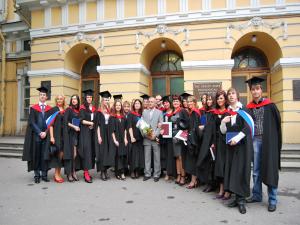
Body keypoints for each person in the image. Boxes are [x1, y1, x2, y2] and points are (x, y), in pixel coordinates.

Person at [245, 77, 282, 212]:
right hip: (255, 140)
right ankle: (257, 195)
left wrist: (274, 140)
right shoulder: (248, 107)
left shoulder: (270, 105)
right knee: (256, 171)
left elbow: (277, 124)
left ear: (261, 90)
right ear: (251, 91)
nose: (255, 91)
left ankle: (273, 199)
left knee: (270, 169)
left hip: (268, 141)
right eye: (253, 89)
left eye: (257, 89)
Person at [220, 87, 253, 214]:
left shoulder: (244, 110)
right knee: (232, 171)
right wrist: (223, 122)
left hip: (242, 146)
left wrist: (237, 138)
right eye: (229, 94)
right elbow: (223, 131)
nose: (231, 96)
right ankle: (236, 198)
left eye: (233, 93)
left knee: (241, 171)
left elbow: (248, 127)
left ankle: (241, 200)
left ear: (237, 96)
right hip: (231, 147)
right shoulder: (228, 113)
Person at [23, 86, 52, 183]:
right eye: (41, 95)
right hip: (36, 136)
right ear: (39, 96)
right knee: (36, 155)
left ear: (46, 97)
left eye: (44, 95)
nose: (42, 96)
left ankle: (44, 174)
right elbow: (32, 122)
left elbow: (51, 123)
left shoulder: (49, 109)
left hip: (46, 136)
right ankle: (36, 175)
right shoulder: (34, 108)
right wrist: (39, 132)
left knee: (45, 155)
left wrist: (45, 132)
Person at [212, 90, 231, 200]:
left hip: (226, 142)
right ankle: (221, 189)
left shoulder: (229, 112)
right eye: (218, 98)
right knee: (219, 165)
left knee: (226, 165)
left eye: (221, 98)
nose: (220, 100)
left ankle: (227, 191)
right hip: (218, 142)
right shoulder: (215, 113)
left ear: (225, 99)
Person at [197, 94, 217, 192]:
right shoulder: (206, 112)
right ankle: (208, 182)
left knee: (211, 162)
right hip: (205, 139)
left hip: (212, 140)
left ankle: (212, 184)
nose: (208, 101)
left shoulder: (214, 112)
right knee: (207, 162)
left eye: (210, 99)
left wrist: (213, 142)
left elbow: (214, 128)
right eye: (207, 100)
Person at [142, 96, 163, 182]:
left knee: (157, 157)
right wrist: (148, 135)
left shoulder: (159, 112)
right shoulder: (144, 112)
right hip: (147, 138)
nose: (150, 103)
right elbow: (142, 125)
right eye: (149, 102)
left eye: (152, 102)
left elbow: (161, 125)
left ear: (155, 103)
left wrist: (155, 135)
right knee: (147, 157)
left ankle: (156, 174)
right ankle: (147, 174)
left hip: (155, 138)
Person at [170, 95, 189, 186]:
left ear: (180, 102)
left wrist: (178, 121)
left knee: (181, 157)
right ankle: (178, 174)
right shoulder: (173, 112)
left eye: (177, 101)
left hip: (181, 136)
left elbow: (187, 123)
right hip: (174, 135)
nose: (175, 103)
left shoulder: (183, 111)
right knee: (177, 156)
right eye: (174, 101)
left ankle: (183, 176)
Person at [95, 91, 113, 181]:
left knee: (107, 152)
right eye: (105, 99)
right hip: (101, 132)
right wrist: (99, 136)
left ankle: (105, 171)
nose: (106, 101)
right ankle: (102, 172)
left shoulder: (109, 110)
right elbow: (97, 125)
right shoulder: (99, 112)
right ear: (102, 100)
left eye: (107, 99)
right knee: (102, 152)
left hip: (108, 132)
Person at [79, 89, 96, 183]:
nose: (89, 98)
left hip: (91, 133)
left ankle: (87, 171)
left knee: (90, 152)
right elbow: (81, 120)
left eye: (90, 97)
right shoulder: (82, 108)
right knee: (86, 152)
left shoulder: (93, 108)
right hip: (85, 132)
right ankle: (85, 173)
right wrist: (91, 123)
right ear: (85, 98)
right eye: (88, 97)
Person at [63, 94, 81, 182]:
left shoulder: (77, 111)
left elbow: (79, 121)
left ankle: (73, 171)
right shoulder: (68, 109)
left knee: (74, 155)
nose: (74, 100)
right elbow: (65, 122)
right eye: (72, 99)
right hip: (69, 134)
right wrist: (74, 127)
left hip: (76, 134)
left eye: (75, 99)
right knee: (70, 154)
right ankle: (69, 173)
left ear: (78, 101)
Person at [110, 99, 128, 180]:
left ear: (121, 107)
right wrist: (114, 140)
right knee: (118, 156)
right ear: (114, 106)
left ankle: (122, 172)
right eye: (116, 105)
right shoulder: (112, 117)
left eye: (119, 105)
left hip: (122, 139)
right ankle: (120, 172)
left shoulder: (123, 117)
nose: (118, 107)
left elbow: (125, 129)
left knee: (123, 155)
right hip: (116, 139)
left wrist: (125, 138)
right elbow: (112, 130)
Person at [185, 95, 201, 189]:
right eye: (188, 102)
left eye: (191, 102)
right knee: (193, 161)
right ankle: (194, 180)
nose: (189, 103)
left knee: (193, 161)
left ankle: (193, 181)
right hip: (193, 139)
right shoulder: (192, 113)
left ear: (195, 103)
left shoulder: (195, 113)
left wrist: (190, 137)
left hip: (193, 141)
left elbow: (195, 128)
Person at [159, 96, 176, 181]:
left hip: (172, 137)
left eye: (167, 102)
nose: (165, 104)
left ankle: (171, 173)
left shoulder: (174, 112)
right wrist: (161, 128)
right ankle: (167, 172)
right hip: (165, 137)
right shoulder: (163, 113)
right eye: (164, 102)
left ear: (170, 103)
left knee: (171, 155)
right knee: (166, 154)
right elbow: (162, 124)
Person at [49, 95, 65, 183]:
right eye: (58, 99)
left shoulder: (64, 110)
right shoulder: (54, 110)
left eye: (61, 99)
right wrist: (52, 136)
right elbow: (51, 124)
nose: (59, 100)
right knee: (57, 154)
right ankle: (56, 174)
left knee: (62, 155)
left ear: (63, 101)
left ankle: (59, 172)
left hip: (64, 136)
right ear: (56, 100)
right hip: (56, 135)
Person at [128, 99, 144, 179]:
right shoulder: (131, 114)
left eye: (138, 103)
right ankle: (132, 171)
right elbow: (129, 126)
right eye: (136, 103)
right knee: (133, 155)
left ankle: (138, 170)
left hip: (141, 137)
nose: (137, 105)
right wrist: (131, 137)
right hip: (134, 137)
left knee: (140, 155)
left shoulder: (142, 115)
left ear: (141, 105)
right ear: (133, 105)